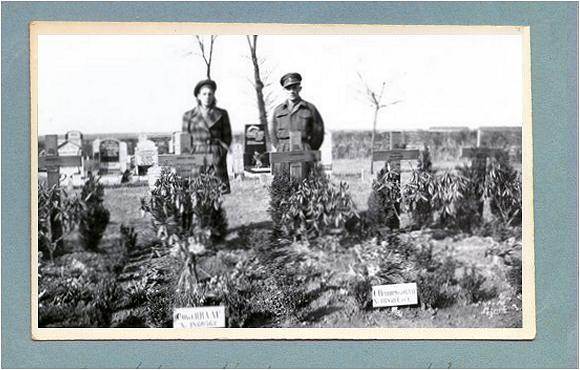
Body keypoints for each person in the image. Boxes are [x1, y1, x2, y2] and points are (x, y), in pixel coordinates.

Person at [182, 79, 232, 193]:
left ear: (213, 95)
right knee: (197, 193)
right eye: (204, 94)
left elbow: (227, 137)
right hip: (196, 156)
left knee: (217, 194)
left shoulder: (222, 114)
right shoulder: (188, 116)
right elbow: (185, 141)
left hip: (216, 156)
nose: (207, 97)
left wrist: (220, 152)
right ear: (198, 96)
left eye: (210, 94)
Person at [269, 72, 325, 152]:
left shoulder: (310, 108)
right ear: (284, 90)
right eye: (288, 88)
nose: (291, 91)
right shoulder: (278, 110)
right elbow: (272, 133)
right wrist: (280, 147)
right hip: (283, 150)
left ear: (299, 88)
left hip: (304, 150)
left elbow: (318, 133)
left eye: (294, 87)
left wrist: (309, 148)